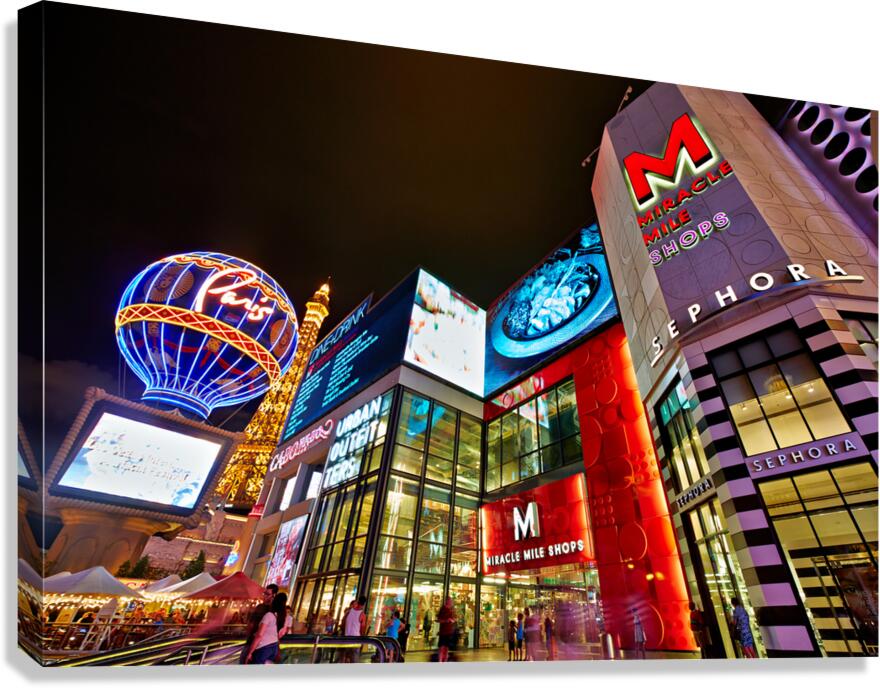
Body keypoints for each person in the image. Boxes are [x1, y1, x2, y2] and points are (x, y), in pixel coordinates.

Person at [239, 584, 277, 664]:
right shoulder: (263, 608)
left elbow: (251, 625)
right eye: (264, 593)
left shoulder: (271, 611)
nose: (265, 596)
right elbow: (251, 624)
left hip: (260, 644)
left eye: (267, 594)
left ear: (274, 596)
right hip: (261, 644)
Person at [246, 593, 284, 664]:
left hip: (264, 648)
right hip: (273, 647)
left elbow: (259, 635)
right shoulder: (277, 616)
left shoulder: (268, 615)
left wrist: (250, 652)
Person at [341, 595, 368, 663]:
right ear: (364, 604)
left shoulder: (349, 611)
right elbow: (362, 629)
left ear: (358, 601)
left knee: (345, 658)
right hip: (356, 640)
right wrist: (363, 637)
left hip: (346, 638)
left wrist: (345, 632)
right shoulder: (362, 615)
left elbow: (343, 623)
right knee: (354, 660)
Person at [436, 596, 456, 662]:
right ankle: (440, 660)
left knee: (446, 647)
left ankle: (444, 660)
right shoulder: (443, 609)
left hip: (449, 631)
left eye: (451, 601)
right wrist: (446, 621)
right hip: (443, 631)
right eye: (450, 601)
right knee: (442, 647)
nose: (451, 602)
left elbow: (454, 618)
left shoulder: (451, 610)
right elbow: (438, 620)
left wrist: (452, 620)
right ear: (447, 601)